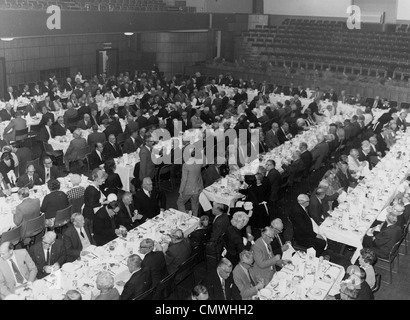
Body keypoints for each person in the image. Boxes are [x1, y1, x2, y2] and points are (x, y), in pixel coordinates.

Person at [177, 151, 203, 217]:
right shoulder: (199, 162)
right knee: (195, 205)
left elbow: (184, 179)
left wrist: (181, 190)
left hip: (188, 189)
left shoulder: (186, 165)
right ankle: (195, 220)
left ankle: (185, 217)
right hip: (198, 187)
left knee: (180, 202)